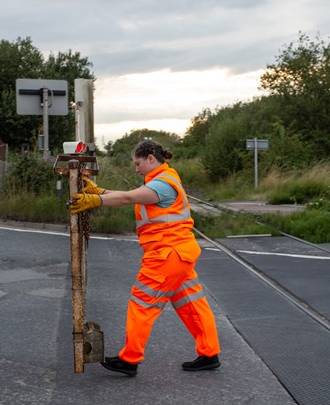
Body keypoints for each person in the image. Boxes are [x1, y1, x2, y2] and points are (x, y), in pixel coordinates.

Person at [68, 140, 221, 377]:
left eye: (138, 163)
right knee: (192, 304)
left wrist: (97, 200)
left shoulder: (162, 184)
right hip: (178, 253)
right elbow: (132, 195)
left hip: (166, 255)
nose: (136, 169)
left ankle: (129, 359)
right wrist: (102, 193)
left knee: (141, 303)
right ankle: (210, 353)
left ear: (151, 158)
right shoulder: (162, 181)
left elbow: (129, 198)